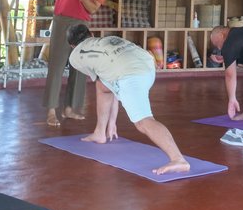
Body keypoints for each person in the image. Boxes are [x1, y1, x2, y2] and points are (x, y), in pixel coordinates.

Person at [66, 24, 190, 175]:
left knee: (143, 122)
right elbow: (108, 81)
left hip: (131, 76)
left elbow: (113, 78)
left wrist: (113, 121)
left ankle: (178, 159)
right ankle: (100, 132)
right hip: (147, 65)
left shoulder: (75, 57)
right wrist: (112, 123)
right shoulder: (108, 39)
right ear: (91, 34)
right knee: (102, 86)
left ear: (72, 45)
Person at [44, 0, 109, 127]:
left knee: (80, 67)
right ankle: (51, 111)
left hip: (83, 24)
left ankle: (70, 108)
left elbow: (93, 9)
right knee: (57, 65)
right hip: (63, 20)